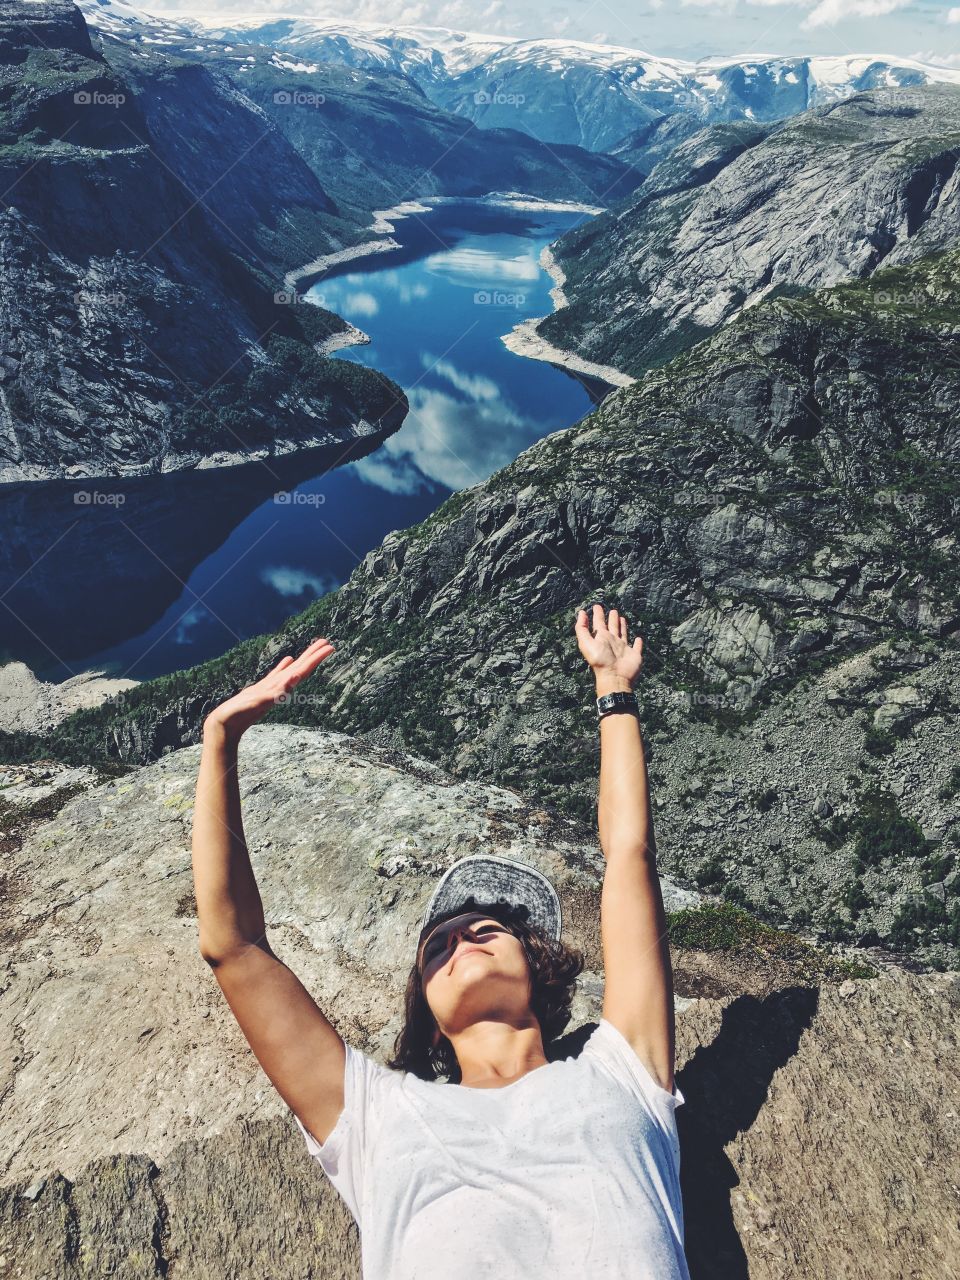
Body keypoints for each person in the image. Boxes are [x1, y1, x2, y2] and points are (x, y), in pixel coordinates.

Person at [192, 605, 690, 1280]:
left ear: (538, 971)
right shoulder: (375, 1114)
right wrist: (219, 741)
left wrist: (615, 692)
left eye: (490, 927)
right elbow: (236, 948)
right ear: (426, 1024)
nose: (466, 933)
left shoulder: (623, 1068)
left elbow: (628, 854)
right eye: (440, 945)